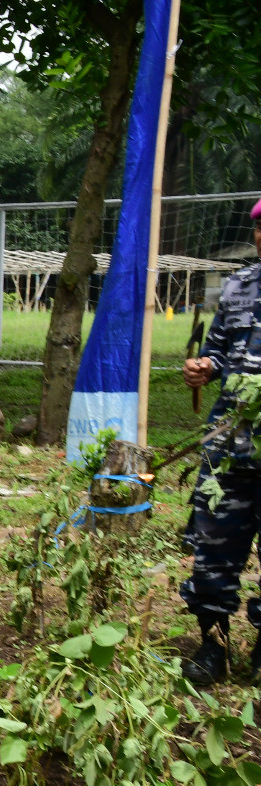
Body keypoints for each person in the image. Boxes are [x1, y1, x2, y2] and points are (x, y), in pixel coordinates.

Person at [176, 198, 261, 684]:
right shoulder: (237, 289)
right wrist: (204, 368)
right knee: (212, 548)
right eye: (260, 228)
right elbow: (219, 352)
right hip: (229, 447)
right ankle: (214, 648)